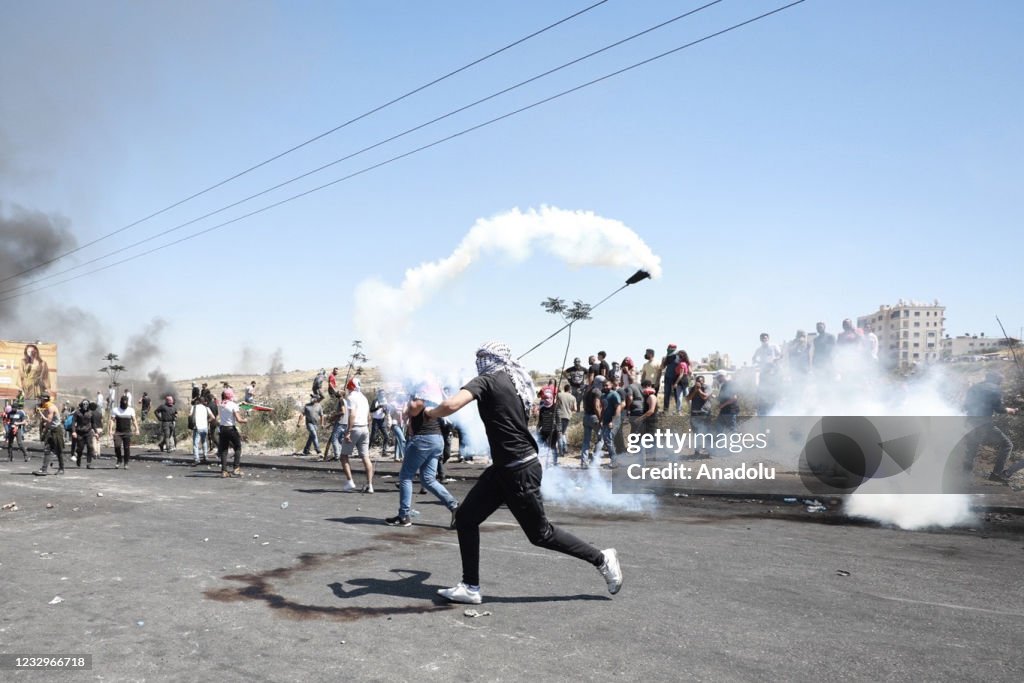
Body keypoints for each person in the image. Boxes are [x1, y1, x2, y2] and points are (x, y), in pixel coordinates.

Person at [424, 341, 622, 605]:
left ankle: (602, 558)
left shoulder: (487, 380)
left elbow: (451, 405)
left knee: (541, 534)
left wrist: (429, 412)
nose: (478, 362)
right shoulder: (509, 380)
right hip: (505, 468)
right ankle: (470, 587)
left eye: (481, 357)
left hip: (517, 469)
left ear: (489, 360)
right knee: (466, 518)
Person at [385, 388, 459, 527]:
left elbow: (412, 409)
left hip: (422, 440)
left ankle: (404, 516)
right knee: (428, 479)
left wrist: (408, 402)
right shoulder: (433, 394)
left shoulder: (421, 392)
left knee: (406, 476)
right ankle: (454, 506)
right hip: (436, 439)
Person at [963, 372, 1020, 482]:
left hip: (970, 422)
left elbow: (965, 405)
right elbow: (998, 409)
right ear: (996, 380)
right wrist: (1010, 410)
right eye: (1000, 381)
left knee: (972, 448)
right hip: (984, 424)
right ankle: (996, 474)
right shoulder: (995, 389)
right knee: (1007, 445)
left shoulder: (974, 387)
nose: (1000, 384)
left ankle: (964, 477)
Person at [341, 377, 374, 493]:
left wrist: (348, 431)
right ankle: (370, 485)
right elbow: (369, 417)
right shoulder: (364, 398)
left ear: (350, 387)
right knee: (365, 457)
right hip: (365, 428)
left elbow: (352, 415)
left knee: (344, 455)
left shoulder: (351, 397)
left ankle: (350, 481)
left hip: (355, 428)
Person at [216, 388, 247, 478]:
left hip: (222, 429)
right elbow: (239, 420)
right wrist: (245, 420)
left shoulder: (221, 405)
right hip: (231, 429)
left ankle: (224, 471)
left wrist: (240, 404)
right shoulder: (233, 405)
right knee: (238, 447)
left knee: (224, 450)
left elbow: (228, 406)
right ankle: (236, 468)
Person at [34, 394, 65, 476]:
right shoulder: (46, 406)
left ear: (44, 400)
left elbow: (48, 421)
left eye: (41, 399)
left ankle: (61, 468)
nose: (40, 401)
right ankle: (44, 469)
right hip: (51, 430)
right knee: (47, 449)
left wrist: (40, 413)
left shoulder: (51, 407)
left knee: (59, 450)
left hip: (56, 430)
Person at [108, 394, 140, 469]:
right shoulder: (115, 410)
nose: (124, 403)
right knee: (117, 446)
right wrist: (110, 430)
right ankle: (119, 460)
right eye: (123, 401)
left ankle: (126, 463)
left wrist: (137, 429)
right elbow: (112, 421)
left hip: (127, 432)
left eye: (126, 402)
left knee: (126, 448)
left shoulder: (131, 410)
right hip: (118, 432)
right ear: (121, 402)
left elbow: (134, 420)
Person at [580, 376, 604, 468]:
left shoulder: (588, 391)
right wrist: (601, 419)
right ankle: (594, 462)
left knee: (586, 441)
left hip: (586, 416)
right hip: (595, 418)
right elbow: (597, 406)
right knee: (601, 439)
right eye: (603, 383)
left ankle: (583, 462)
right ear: (599, 383)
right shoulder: (597, 391)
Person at [598, 378, 623, 467]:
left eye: (607, 385)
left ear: (611, 385)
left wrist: (613, 421)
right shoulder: (603, 396)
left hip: (613, 421)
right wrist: (600, 420)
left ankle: (615, 461)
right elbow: (603, 409)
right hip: (605, 421)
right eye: (604, 386)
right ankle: (615, 459)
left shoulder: (614, 395)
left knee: (608, 439)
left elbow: (618, 408)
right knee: (606, 440)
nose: (605, 387)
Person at [688, 376, 711, 458]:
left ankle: (709, 452)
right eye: (697, 381)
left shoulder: (707, 387)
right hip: (694, 414)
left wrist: (699, 390)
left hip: (704, 413)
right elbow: (689, 398)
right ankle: (697, 451)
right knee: (696, 434)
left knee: (707, 433)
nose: (698, 383)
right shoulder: (692, 388)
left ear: (703, 381)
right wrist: (695, 390)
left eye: (700, 381)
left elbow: (705, 397)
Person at [535, 387, 561, 464]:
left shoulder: (555, 408)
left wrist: (559, 431)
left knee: (552, 447)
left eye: (549, 398)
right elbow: (540, 421)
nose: (547, 400)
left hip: (553, 432)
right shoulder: (542, 408)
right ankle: (542, 461)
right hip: (544, 431)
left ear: (552, 398)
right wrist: (537, 429)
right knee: (541, 445)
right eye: (545, 398)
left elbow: (559, 421)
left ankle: (554, 462)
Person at [190, 396, 215, 466]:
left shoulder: (194, 407)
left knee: (196, 444)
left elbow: (190, 415)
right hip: (205, 427)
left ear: (198, 401)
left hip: (197, 427)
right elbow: (213, 417)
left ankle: (197, 459)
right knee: (204, 441)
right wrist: (207, 421)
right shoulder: (206, 408)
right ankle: (205, 456)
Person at [72, 400, 96, 469]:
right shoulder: (77, 412)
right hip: (79, 433)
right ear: (81, 405)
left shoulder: (91, 413)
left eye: (86, 405)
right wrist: (74, 431)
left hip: (88, 432)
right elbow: (73, 423)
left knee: (90, 446)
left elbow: (93, 423)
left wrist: (96, 432)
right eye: (84, 405)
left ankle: (89, 463)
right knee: (80, 448)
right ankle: (78, 459)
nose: (85, 406)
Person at [555, 384, 577, 461]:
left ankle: (561, 451)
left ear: (564, 389)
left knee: (559, 433)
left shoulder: (559, 395)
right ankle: (565, 449)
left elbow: (555, 404)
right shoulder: (573, 397)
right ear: (570, 390)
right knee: (563, 432)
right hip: (567, 416)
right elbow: (575, 408)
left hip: (559, 415)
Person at [662, 344, 683, 413]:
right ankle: (665, 410)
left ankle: (678, 411)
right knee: (666, 394)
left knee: (677, 395)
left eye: (670, 348)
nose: (668, 349)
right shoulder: (667, 357)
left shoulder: (678, 357)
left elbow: (681, 367)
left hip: (675, 378)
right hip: (667, 378)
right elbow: (662, 367)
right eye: (668, 348)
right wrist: (663, 361)